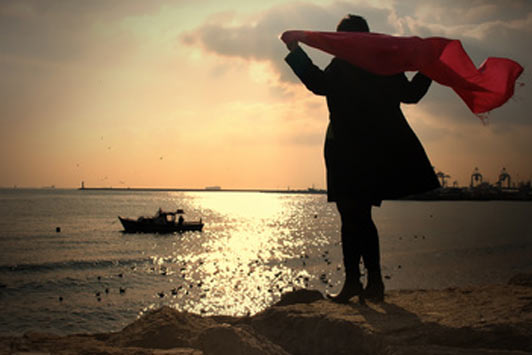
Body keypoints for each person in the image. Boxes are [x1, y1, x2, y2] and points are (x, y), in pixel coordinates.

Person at [284, 14, 440, 303]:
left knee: (353, 216)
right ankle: (368, 283)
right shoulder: (383, 63)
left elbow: (318, 83)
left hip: (346, 149)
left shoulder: (343, 64)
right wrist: (429, 66)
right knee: (357, 216)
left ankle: (363, 283)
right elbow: (411, 94)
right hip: (368, 150)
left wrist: (295, 51)